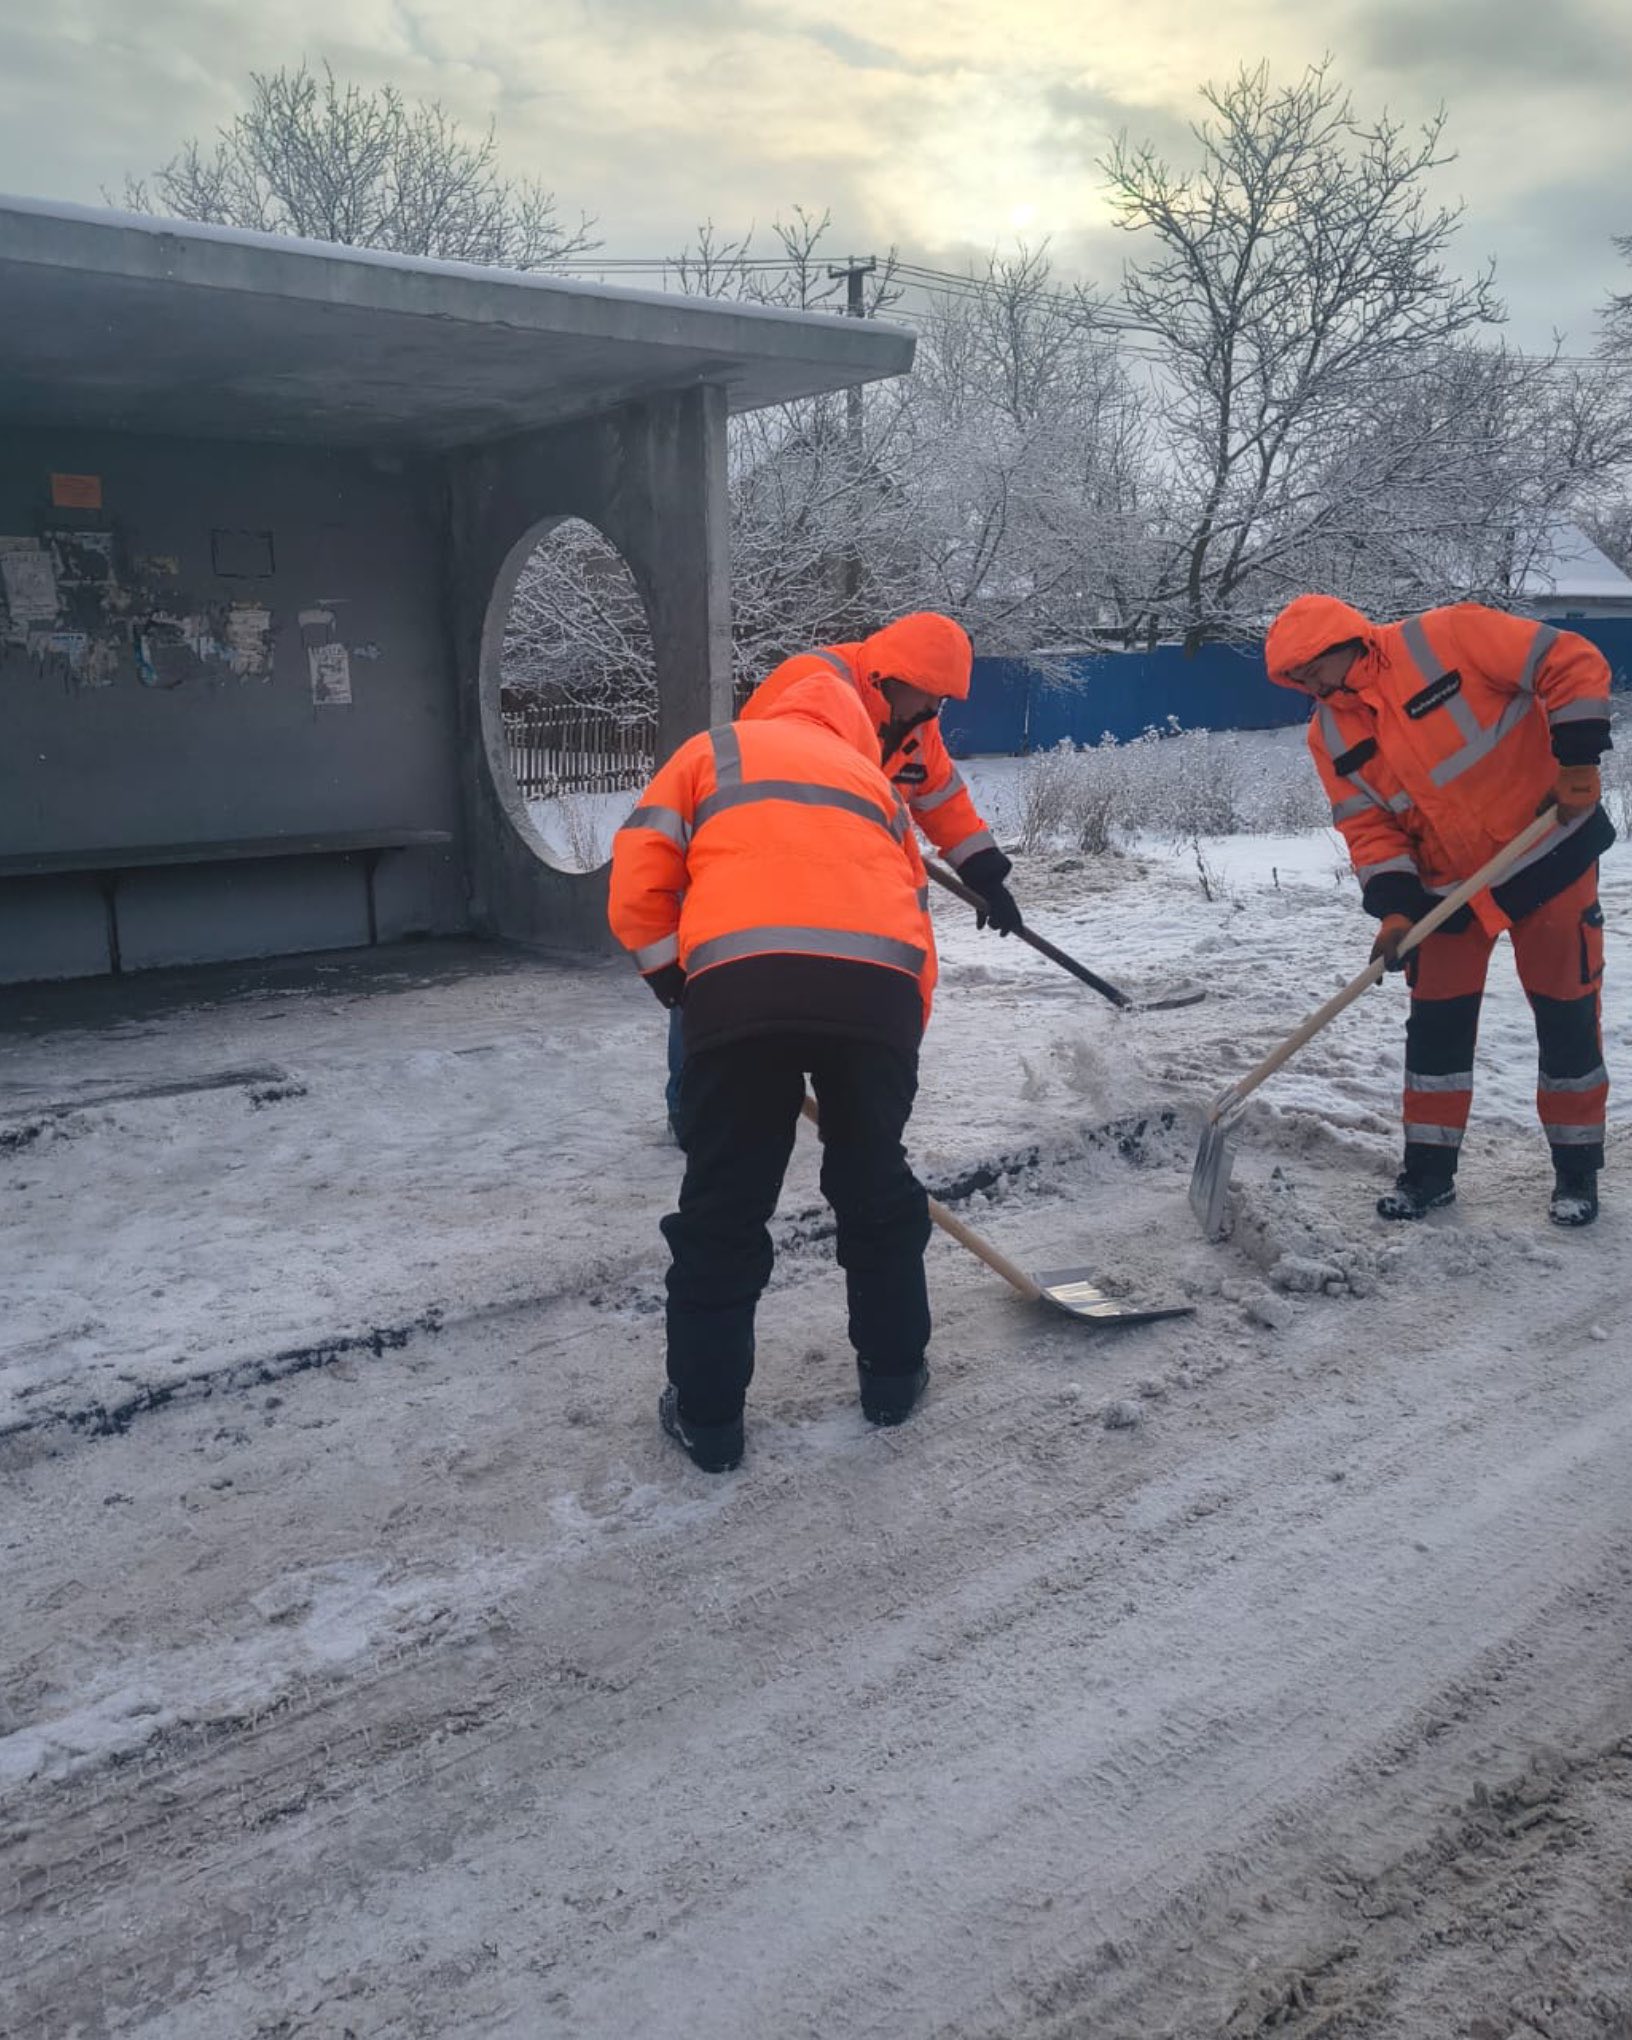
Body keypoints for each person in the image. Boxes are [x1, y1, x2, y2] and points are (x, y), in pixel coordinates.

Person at [609, 668, 939, 1472]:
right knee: (877, 1191)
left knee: (723, 1209)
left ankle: (710, 1420)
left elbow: (639, 877)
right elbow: (917, 910)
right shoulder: (873, 782)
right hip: (879, 994)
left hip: (743, 988)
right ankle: (893, 1379)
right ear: (853, 723)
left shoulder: (711, 754)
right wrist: (893, 1039)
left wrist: (676, 983)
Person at [1266, 594, 1614, 1227]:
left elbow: (1570, 660)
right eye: (1297, 680)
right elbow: (1369, 828)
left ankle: (1576, 1172)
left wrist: (1579, 758)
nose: (1309, 685)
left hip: (1548, 849)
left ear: (1346, 642)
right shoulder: (1330, 733)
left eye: (1311, 669)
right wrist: (1396, 912)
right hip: (1447, 888)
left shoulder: (1450, 636)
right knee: (1436, 1027)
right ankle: (1428, 1173)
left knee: (1566, 1012)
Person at [662, 610, 1020, 1144]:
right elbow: (763, 767)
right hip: (762, 856)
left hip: (846, 870)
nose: (934, 712)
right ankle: (693, 1109)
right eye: (931, 697)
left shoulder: (915, 724)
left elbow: (940, 794)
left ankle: (831, 1090)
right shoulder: (810, 683)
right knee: (723, 973)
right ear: (896, 680)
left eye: (942, 702)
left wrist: (985, 875)